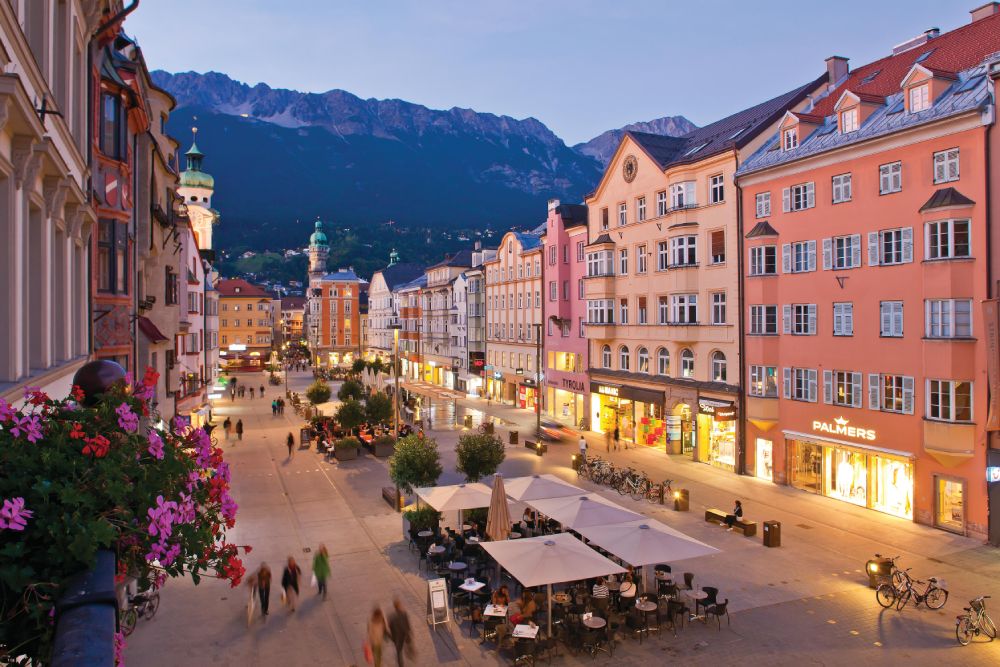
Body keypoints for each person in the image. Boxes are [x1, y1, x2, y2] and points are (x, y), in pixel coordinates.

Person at [387, 596, 413, 666]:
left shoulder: (391, 617)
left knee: (399, 652)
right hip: (404, 635)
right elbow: (407, 624)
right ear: (399, 606)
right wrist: (409, 633)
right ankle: (409, 654)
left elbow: (390, 627)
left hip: (396, 637)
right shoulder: (404, 613)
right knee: (404, 648)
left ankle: (401, 665)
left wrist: (391, 635)